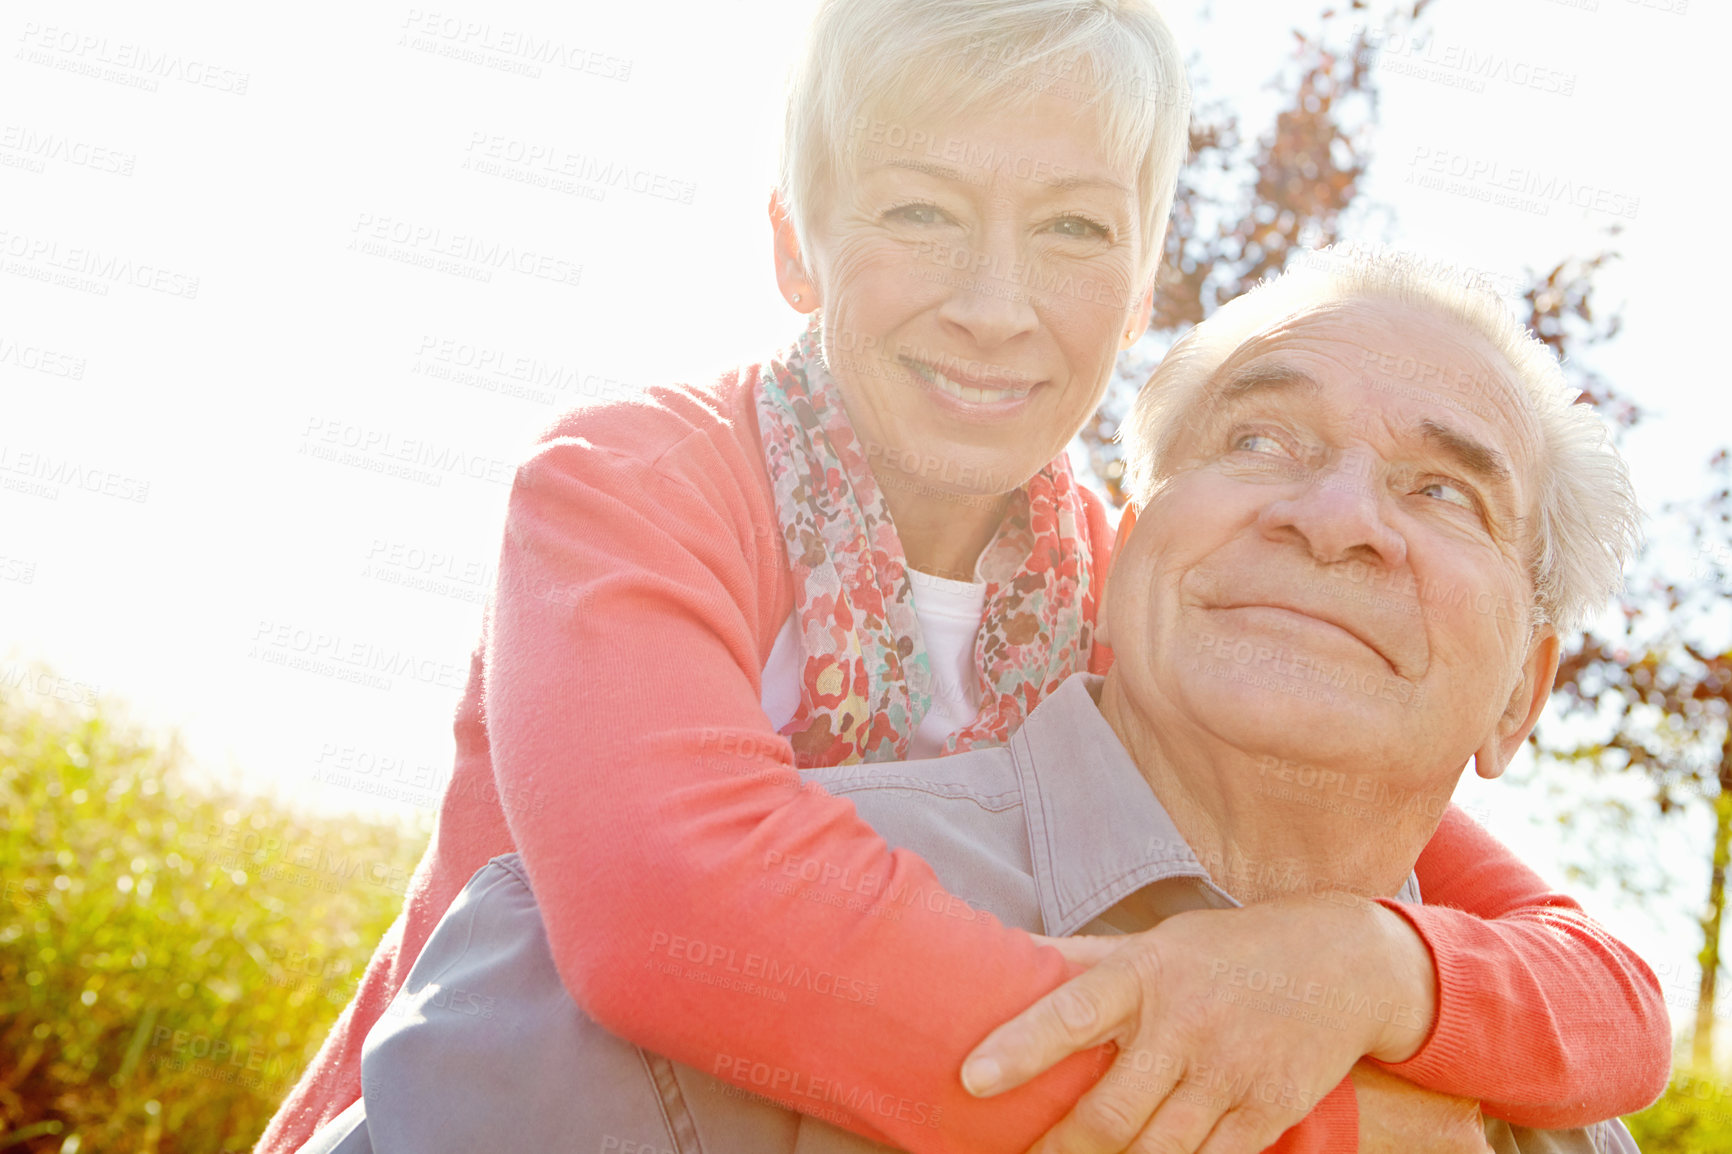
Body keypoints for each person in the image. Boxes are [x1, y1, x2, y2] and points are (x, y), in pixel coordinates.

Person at [256, 3, 1669, 1152]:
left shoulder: (1133, 594)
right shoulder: (635, 483)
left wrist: (1369, 966)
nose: (995, 304)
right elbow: (675, 913)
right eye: (921, 212)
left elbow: (1597, 981)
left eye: (1069, 230)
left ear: (1140, 275)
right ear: (795, 242)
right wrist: (1317, 1112)